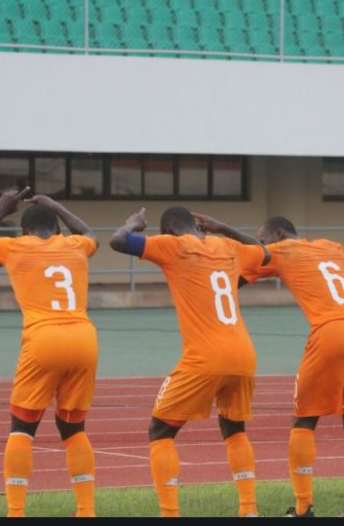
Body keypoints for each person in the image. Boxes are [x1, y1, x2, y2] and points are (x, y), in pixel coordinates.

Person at [198, 215, 344, 518]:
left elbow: (246, 268)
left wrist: (220, 229)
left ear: (278, 234)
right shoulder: (332, 246)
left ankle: (304, 507)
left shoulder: (281, 251)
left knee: (304, 421)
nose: (263, 245)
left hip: (330, 332)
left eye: (265, 239)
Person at [109, 206, 270, 518]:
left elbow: (118, 241)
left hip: (205, 357)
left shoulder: (174, 246)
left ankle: (169, 514)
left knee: (161, 430)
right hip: (243, 354)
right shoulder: (229, 247)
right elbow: (265, 252)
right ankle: (249, 510)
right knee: (234, 428)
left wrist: (133, 223)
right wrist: (223, 226)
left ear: (169, 229)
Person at [0, 188, 100, 517]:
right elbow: (90, 233)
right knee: (74, 429)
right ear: (57, 229)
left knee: (22, 428)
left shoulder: (15, 246)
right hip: (84, 337)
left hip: (44, 338)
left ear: (26, 231)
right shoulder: (75, 244)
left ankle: (16, 512)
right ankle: (86, 510)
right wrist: (56, 205)